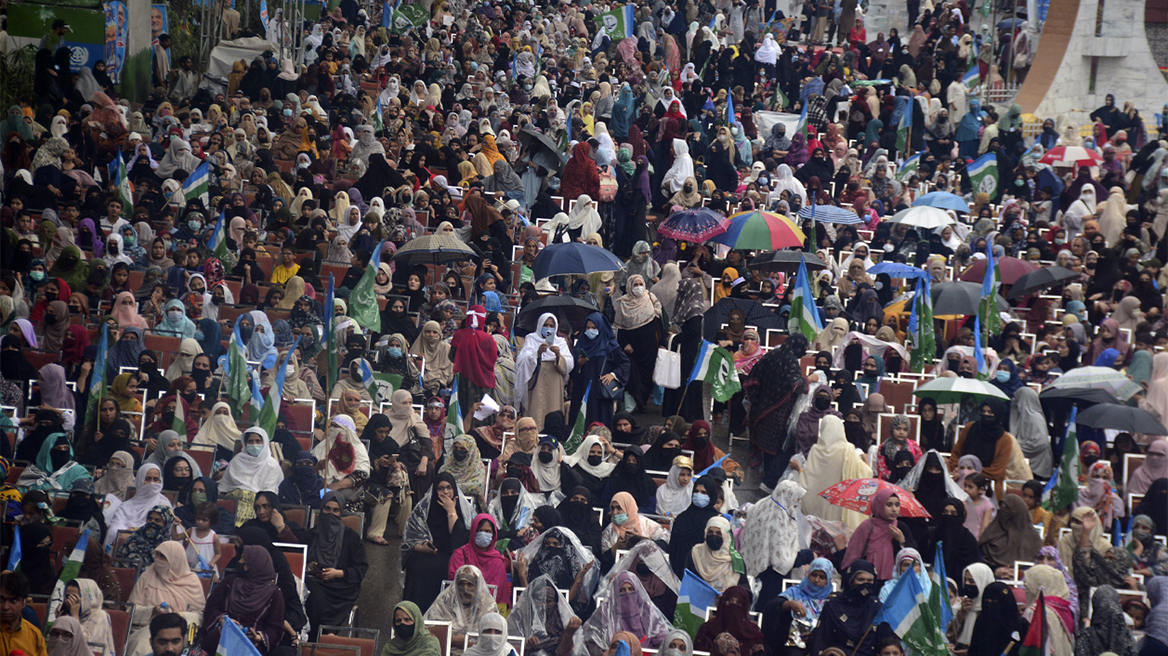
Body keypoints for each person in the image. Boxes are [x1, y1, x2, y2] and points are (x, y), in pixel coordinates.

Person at [402, 473, 475, 613]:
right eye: (441, 488)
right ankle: (413, 614)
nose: (445, 492)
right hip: (427, 553)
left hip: (450, 555)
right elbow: (409, 541)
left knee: (445, 566)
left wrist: (451, 511)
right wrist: (422, 548)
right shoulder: (423, 510)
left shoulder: (462, 511)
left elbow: (459, 542)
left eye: (449, 488)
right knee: (415, 564)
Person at [123, 541, 206, 656]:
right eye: (156, 555)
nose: (157, 559)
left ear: (175, 559)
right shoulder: (147, 575)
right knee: (141, 644)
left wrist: (179, 616)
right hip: (148, 628)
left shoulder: (192, 582)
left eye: (163, 556)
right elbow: (130, 610)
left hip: (178, 631)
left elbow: (200, 615)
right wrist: (151, 611)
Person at [199, 545, 285, 655]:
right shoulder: (230, 582)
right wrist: (222, 619)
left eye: (244, 560)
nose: (239, 562)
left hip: (252, 642)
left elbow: (276, 628)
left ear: (255, 565)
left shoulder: (274, 594)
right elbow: (211, 606)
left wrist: (259, 637)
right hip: (224, 633)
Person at [304, 491, 368, 635]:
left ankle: (320, 636)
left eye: (335, 510)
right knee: (311, 589)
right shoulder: (310, 535)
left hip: (341, 588)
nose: (331, 513)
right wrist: (309, 567)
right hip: (315, 583)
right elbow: (300, 560)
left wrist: (337, 573)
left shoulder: (351, 537)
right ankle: (325, 634)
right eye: (327, 509)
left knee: (314, 595)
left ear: (341, 513)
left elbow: (361, 568)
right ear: (321, 510)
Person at [574, 571, 673, 655]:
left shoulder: (648, 611)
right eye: (622, 590)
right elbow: (590, 639)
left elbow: (663, 641)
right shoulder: (605, 611)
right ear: (615, 593)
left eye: (631, 589)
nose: (627, 594)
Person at [810, 561, 895, 656]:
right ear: (850, 581)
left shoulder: (877, 608)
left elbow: (887, 644)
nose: (865, 585)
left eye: (869, 581)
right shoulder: (833, 606)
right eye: (861, 580)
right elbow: (821, 640)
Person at [423, 564, 499, 648]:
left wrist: (468, 642)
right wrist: (450, 640)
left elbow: (493, 637)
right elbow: (427, 631)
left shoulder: (488, 605)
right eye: (461, 584)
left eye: (470, 584)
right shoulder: (445, 600)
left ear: (477, 586)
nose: (465, 588)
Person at [508, 575, 581, 656]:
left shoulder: (561, 623)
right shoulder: (520, 620)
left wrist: (568, 634)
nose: (543, 605)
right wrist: (527, 646)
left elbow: (560, 654)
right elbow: (510, 649)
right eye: (539, 600)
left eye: (548, 601)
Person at [448, 514, 511, 606]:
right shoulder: (460, 555)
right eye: (479, 530)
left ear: (494, 534)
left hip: (488, 607)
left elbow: (497, 590)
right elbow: (455, 582)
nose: (482, 534)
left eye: (487, 531)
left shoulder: (496, 559)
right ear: (473, 531)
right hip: (461, 606)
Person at [0, 571, 48, 656]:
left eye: (13, 601)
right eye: (1, 600)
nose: (6, 607)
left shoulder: (35, 635)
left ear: (24, 603)